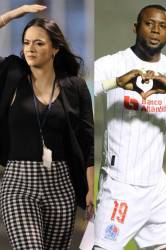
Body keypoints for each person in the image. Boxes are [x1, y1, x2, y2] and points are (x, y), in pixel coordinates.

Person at [94, 4, 166, 250]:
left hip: (156, 185)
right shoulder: (112, 64)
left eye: (162, 26)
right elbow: (75, 91)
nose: (155, 30)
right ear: (136, 27)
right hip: (120, 183)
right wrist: (116, 83)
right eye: (149, 24)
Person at [0, 4, 94, 249]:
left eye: (39, 43)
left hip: (61, 185)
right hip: (18, 184)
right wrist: (11, 15)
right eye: (26, 42)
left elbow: (87, 141)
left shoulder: (75, 86)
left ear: (55, 48)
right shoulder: (12, 72)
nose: (30, 48)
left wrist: (91, 189)